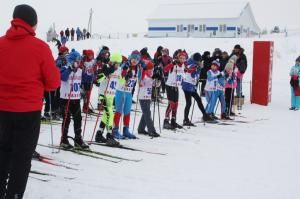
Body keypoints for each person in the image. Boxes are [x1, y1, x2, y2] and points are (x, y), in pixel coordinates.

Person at [0, 4, 60, 198]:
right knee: (22, 158)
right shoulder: (40, 48)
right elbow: (53, 83)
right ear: (32, 23)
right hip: (28, 112)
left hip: (2, 110)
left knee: (2, 153)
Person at [60, 49, 89, 149]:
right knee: (66, 119)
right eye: (77, 61)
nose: (79, 63)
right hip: (65, 98)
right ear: (71, 61)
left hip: (76, 99)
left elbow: (87, 79)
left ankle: (78, 139)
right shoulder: (64, 68)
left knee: (78, 119)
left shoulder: (80, 71)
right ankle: (63, 139)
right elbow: (63, 77)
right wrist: (70, 68)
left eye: (79, 61)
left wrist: (92, 74)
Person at [112, 50, 144, 139]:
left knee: (127, 112)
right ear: (130, 58)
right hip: (121, 91)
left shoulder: (138, 68)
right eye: (133, 58)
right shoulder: (126, 65)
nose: (134, 60)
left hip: (129, 92)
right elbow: (121, 74)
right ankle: (115, 130)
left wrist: (141, 79)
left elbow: (140, 79)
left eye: (137, 59)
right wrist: (125, 71)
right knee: (119, 110)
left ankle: (126, 130)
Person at [95, 52, 123, 146]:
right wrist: (106, 72)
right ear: (112, 62)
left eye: (119, 63)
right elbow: (98, 80)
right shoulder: (106, 67)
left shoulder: (119, 70)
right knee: (110, 114)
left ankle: (99, 134)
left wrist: (126, 76)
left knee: (106, 115)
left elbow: (121, 82)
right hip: (103, 95)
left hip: (111, 96)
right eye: (116, 63)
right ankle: (109, 136)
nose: (118, 65)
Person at [182, 53, 214, 126]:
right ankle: (185, 119)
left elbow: (196, 75)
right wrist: (197, 69)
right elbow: (192, 73)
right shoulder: (191, 64)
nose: (200, 62)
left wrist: (199, 70)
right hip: (187, 86)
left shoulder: (193, 63)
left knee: (198, 100)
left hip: (191, 85)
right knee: (189, 103)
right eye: (199, 61)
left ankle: (205, 115)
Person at [163, 50, 186, 130]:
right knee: (171, 104)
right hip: (169, 86)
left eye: (184, 58)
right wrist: (171, 64)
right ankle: (166, 121)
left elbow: (184, 74)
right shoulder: (173, 64)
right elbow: (165, 69)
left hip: (176, 86)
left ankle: (173, 120)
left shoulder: (183, 65)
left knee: (176, 104)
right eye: (181, 58)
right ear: (178, 57)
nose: (182, 60)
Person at [137, 61, 160, 137]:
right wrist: (142, 70)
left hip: (148, 97)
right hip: (143, 97)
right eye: (149, 69)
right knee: (147, 113)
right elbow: (140, 81)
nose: (151, 71)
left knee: (146, 113)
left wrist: (158, 79)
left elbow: (156, 85)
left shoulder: (150, 76)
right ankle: (151, 130)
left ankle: (141, 129)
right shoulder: (144, 76)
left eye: (152, 69)